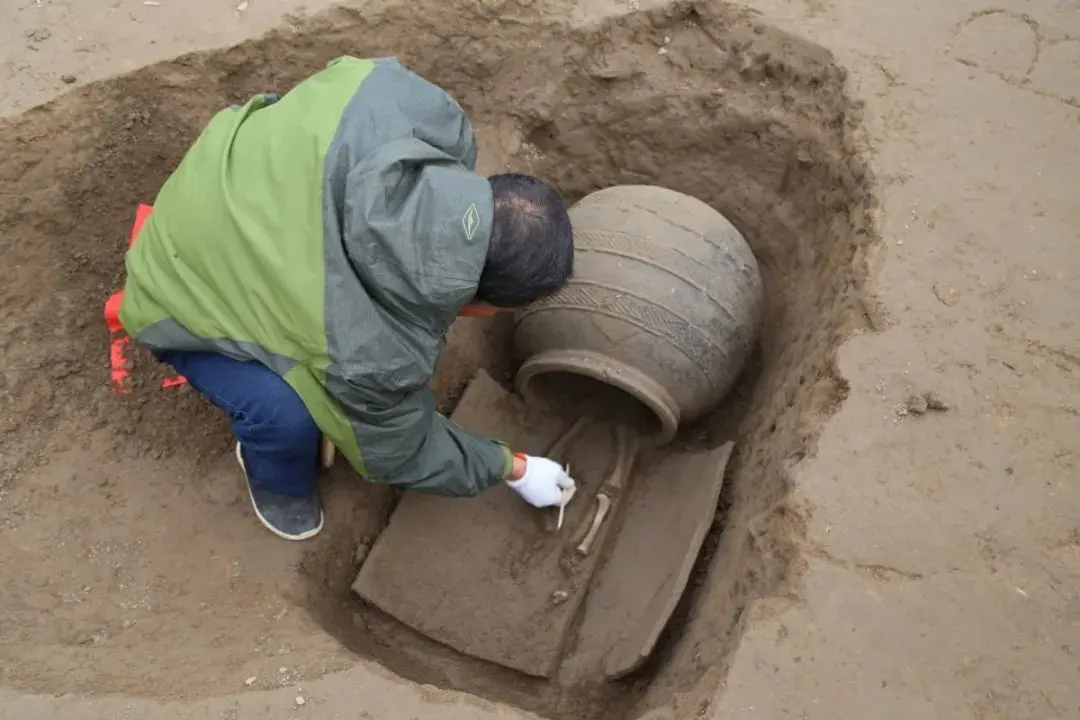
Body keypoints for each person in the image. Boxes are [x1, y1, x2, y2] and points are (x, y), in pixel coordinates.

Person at [119, 56, 577, 542]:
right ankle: (276, 485)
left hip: (220, 176)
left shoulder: (418, 107)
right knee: (284, 416)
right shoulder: (373, 354)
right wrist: (514, 467)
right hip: (172, 284)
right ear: (481, 304)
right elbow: (399, 454)